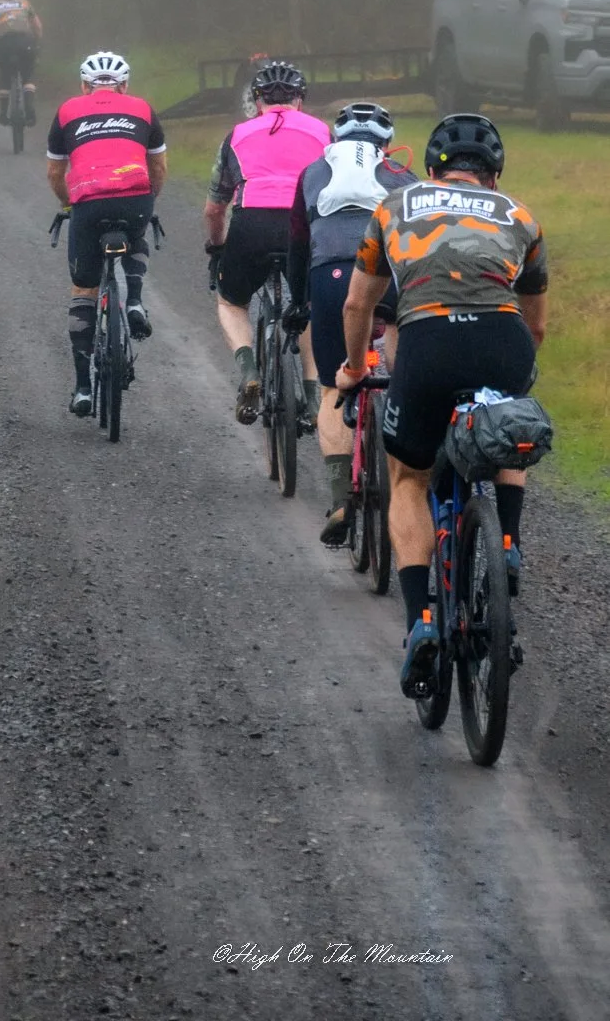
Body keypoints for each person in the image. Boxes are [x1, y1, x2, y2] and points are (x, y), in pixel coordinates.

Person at [338, 112, 547, 697]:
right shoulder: (521, 216)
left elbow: (358, 306)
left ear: (430, 170)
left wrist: (355, 369)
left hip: (427, 343)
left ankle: (419, 623)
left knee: (409, 477)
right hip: (502, 340)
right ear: (496, 175)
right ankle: (505, 543)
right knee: (507, 422)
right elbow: (536, 326)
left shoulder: (394, 207)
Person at [286, 103, 417, 545]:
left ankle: (343, 497)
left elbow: (298, 246)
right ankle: (407, 468)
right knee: (402, 365)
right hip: (389, 273)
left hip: (330, 274)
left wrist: (299, 300)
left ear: (335, 140)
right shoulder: (403, 176)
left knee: (331, 387)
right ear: (387, 141)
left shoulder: (312, 172)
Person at [204, 59, 330, 424]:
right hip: (302, 225)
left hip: (252, 223)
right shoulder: (324, 133)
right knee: (306, 303)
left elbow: (215, 209)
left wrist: (217, 247)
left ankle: (249, 372)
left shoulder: (238, 135)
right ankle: (311, 395)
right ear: (300, 101)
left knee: (231, 301)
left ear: (257, 102)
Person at [45, 50, 167, 415]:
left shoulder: (67, 111)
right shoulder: (143, 109)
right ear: (124, 85)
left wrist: (70, 205)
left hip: (88, 201)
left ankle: (83, 388)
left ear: (84, 86)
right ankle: (133, 300)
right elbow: (158, 165)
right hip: (135, 197)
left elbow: (54, 173)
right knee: (137, 232)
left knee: (83, 289)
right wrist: (148, 202)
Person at [0, 0, 42, 126]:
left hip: (3, 42)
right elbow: (37, 26)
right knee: (28, 74)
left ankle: (2, 113)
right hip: (24, 41)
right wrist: (36, 42)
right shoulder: (25, 3)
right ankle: (30, 109)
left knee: (4, 75)